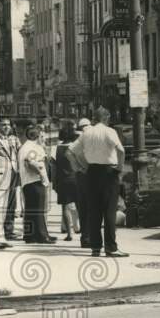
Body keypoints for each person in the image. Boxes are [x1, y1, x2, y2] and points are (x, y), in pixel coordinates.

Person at [70, 106, 128, 258]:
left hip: (92, 172)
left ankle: (95, 246)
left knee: (94, 211)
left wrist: (80, 168)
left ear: (95, 118)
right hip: (109, 172)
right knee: (109, 211)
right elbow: (121, 151)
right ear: (106, 118)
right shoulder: (109, 131)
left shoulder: (87, 133)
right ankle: (111, 247)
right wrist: (119, 169)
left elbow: (70, 152)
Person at [17, 124, 55, 244]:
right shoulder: (32, 148)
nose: (43, 138)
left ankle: (30, 236)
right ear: (37, 136)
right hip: (35, 181)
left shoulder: (25, 146)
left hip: (28, 182)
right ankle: (42, 236)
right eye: (41, 136)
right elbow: (30, 162)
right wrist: (41, 174)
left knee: (31, 210)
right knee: (38, 209)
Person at [0, 117, 22, 241]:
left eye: (8, 125)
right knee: (0, 206)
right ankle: (0, 234)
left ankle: (8, 231)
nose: (6, 127)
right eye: (3, 124)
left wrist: (16, 145)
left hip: (13, 175)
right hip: (0, 177)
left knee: (11, 205)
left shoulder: (12, 139)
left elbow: (20, 153)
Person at [67, 118, 92, 249]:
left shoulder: (80, 139)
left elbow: (69, 153)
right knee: (92, 208)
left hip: (82, 176)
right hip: (90, 175)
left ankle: (86, 238)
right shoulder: (88, 137)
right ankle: (90, 237)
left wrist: (77, 167)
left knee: (83, 208)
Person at [53, 124, 81, 242]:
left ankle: (69, 234)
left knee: (65, 207)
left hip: (62, 180)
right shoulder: (76, 147)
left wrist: (55, 182)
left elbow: (55, 166)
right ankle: (82, 229)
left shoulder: (57, 148)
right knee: (79, 205)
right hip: (76, 178)